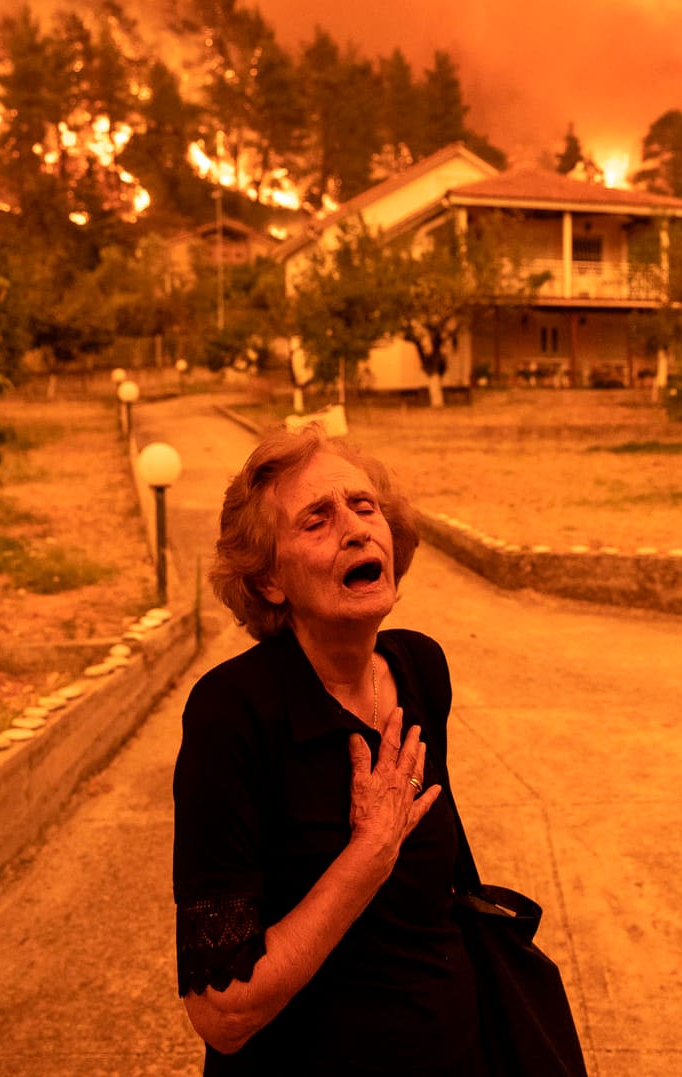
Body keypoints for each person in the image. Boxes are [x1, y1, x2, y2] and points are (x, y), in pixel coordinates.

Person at [172, 425, 483, 1075]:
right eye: (317, 519)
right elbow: (221, 1011)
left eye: (365, 507)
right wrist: (367, 854)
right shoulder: (231, 713)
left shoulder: (421, 668)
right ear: (268, 581)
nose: (355, 528)